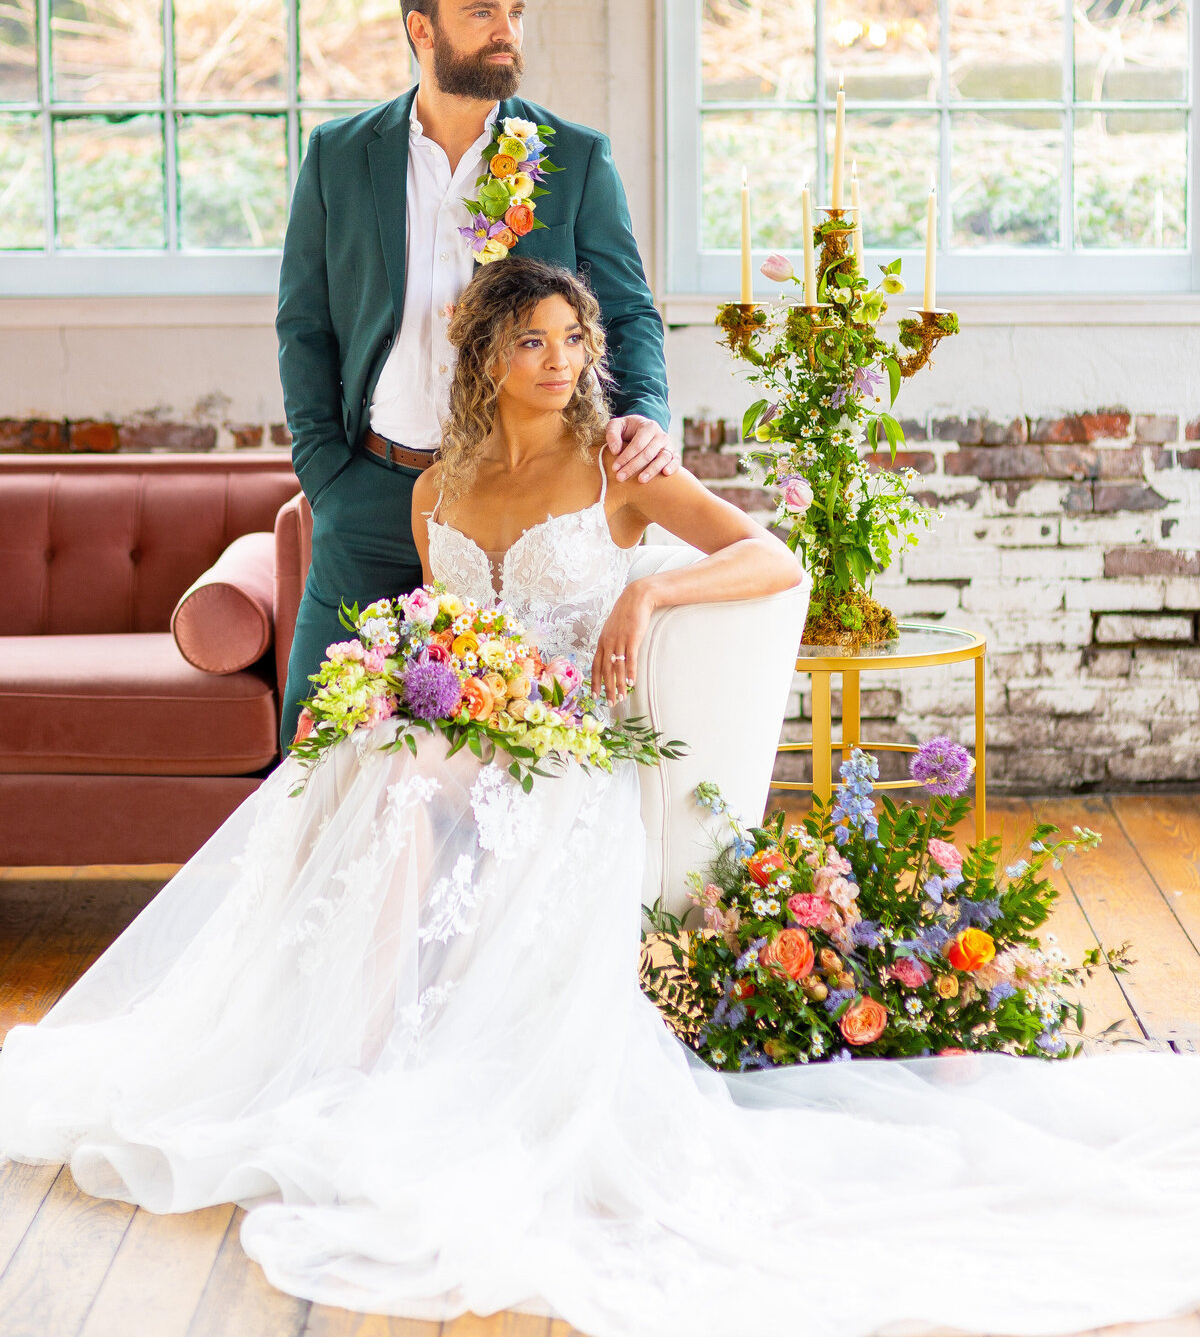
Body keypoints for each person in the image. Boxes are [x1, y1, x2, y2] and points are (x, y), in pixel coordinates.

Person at [3, 262, 1200, 1337]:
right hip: (468, 728)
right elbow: (449, 633)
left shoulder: (622, 469)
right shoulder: (438, 492)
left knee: (410, 791)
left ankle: (375, 1076)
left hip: (569, 747)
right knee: (367, 771)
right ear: (483, 357)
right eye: (532, 340)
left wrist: (648, 599)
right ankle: (351, 1063)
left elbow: (770, 556)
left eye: (574, 338)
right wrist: (407, 696)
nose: (561, 361)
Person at [275, 0, 676, 747]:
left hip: (515, 509)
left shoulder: (573, 158)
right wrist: (328, 479)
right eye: (482, 11)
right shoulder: (339, 158)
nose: (507, 31)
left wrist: (649, 413)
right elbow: (304, 325)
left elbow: (628, 312)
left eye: (515, 14)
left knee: (486, 758)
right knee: (316, 747)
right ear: (422, 29)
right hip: (376, 493)